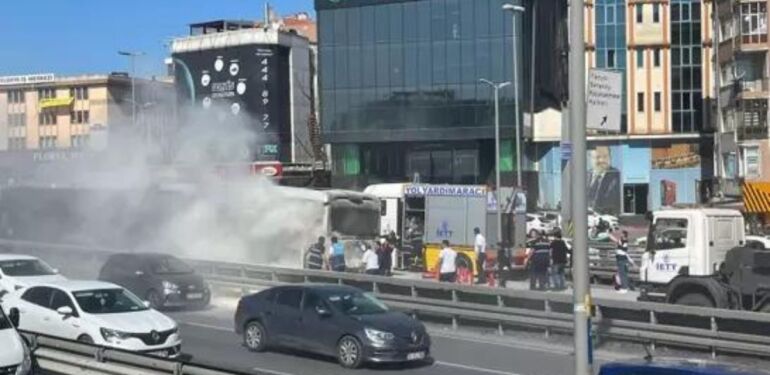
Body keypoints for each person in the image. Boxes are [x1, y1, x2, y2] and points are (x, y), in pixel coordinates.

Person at [587, 146, 620, 214]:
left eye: (605, 156)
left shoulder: (617, 176)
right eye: (597, 157)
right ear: (590, 158)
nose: (602, 160)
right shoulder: (582, 177)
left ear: (610, 157)